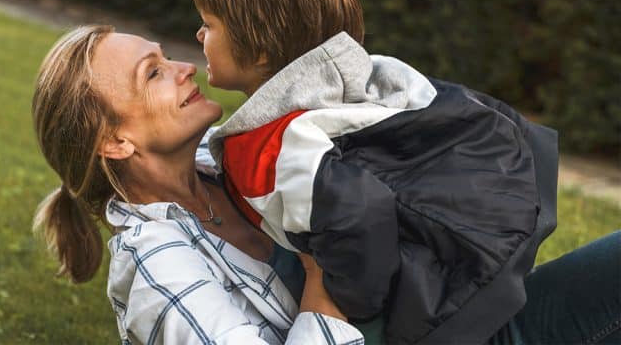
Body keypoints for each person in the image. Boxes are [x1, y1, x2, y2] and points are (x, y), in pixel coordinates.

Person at [32, 25, 620, 345]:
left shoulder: (231, 164)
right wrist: (328, 273)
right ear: (116, 143)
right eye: (153, 73)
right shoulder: (159, 270)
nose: (184, 65)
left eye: (166, 56)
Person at [192, 0, 561, 344]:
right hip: (494, 224)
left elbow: (359, 212)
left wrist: (358, 308)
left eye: (209, 24)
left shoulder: (273, 147)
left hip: (444, 306)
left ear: (258, 47)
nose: (198, 36)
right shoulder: (353, 78)